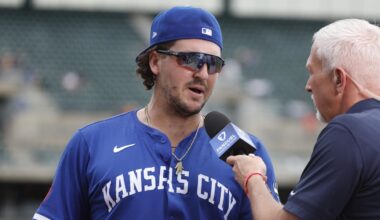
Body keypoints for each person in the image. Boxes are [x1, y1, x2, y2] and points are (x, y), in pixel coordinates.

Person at [33, 6, 279, 220]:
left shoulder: (246, 151)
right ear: (154, 62)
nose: (203, 74)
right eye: (191, 59)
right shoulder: (90, 143)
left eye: (213, 63)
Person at [227, 18, 380, 220]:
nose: (308, 85)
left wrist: (252, 178)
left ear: (338, 79)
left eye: (312, 72)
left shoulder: (348, 131)